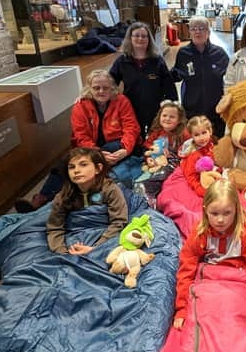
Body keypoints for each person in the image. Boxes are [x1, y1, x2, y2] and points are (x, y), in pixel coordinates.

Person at [15, 70, 141, 213]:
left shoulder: (122, 101)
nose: (101, 91)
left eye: (105, 87)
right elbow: (80, 136)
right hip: (89, 149)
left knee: (110, 147)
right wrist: (97, 154)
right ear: (89, 89)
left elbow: (131, 128)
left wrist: (125, 149)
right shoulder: (80, 106)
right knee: (65, 163)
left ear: (112, 88)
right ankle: (40, 199)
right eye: (96, 88)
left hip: (116, 145)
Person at [173, 179, 246, 337]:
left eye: (227, 213)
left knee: (235, 323)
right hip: (210, 281)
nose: (220, 220)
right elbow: (185, 270)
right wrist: (181, 309)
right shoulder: (199, 235)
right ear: (205, 211)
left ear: (236, 210)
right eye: (214, 213)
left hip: (238, 279)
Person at [47, 147, 128, 255]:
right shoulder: (64, 195)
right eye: (71, 167)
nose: (76, 170)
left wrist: (97, 248)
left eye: (83, 165)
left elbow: (119, 222)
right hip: (74, 241)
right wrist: (62, 252)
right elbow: (54, 227)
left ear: (98, 168)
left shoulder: (110, 189)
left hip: (103, 238)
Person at [109, 22, 178, 137]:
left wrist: (173, 106)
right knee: (135, 139)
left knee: (157, 140)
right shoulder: (122, 61)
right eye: (136, 35)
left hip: (156, 109)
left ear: (149, 39)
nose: (140, 39)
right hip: (132, 110)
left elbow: (169, 85)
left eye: (144, 36)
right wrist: (88, 94)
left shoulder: (157, 61)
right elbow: (109, 82)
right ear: (130, 38)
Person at [171, 16, 229, 137]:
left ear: (208, 32)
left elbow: (231, 79)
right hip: (192, 110)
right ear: (189, 32)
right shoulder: (183, 53)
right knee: (195, 143)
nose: (198, 32)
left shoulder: (219, 53)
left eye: (202, 28)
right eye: (194, 28)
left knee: (216, 143)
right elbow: (175, 75)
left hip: (216, 110)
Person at [135, 100, 190, 205]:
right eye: (164, 115)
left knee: (162, 174)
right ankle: (142, 189)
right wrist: (149, 158)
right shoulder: (157, 133)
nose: (167, 119)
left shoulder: (183, 134)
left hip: (174, 164)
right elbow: (147, 147)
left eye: (172, 117)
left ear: (179, 120)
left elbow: (190, 149)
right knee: (146, 173)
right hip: (156, 162)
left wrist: (175, 155)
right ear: (159, 117)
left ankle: (149, 193)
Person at [178, 116, 214, 197]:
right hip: (196, 181)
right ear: (192, 136)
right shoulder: (193, 155)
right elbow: (191, 177)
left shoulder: (211, 145)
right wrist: (202, 191)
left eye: (204, 133)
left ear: (210, 131)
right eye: (197, 135)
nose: (201, 138)